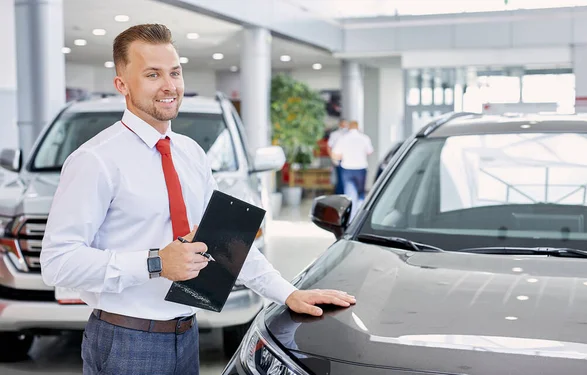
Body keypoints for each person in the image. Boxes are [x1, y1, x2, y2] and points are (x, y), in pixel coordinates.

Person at [40, 24, 355, 375]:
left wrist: (286, 293)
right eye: (152, 74)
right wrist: (155, 262)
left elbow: (224, 244)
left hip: (187, 335)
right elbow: (57, 262)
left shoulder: (191, 154)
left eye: (175, 72)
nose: (169, 86)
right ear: (122, 85)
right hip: (125, 342)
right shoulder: (95, 159)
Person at [332, 120, 374, 220]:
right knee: (360, 193)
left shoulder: (343, 138)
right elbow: (370, 151)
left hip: (347, 168)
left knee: (350, 194)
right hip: (361, 168)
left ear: (349, 127)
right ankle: (360, 216)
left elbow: (335, 154)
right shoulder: (364, 138)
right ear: (358, 127)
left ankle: (351, 218)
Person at [327, 118, 349, 194]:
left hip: (349, 159)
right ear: (340, 125)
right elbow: (329, 147)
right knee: (340, 179)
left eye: (346, 124)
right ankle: (340, 194)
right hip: (338, 159)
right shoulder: (335, 134)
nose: (345, 126)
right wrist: (333, 158)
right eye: (343, 124)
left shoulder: (349, 134)